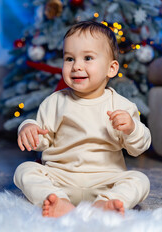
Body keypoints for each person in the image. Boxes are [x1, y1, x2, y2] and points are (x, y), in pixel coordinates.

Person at [14, 21, 151, 218]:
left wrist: (132, 129)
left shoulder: (122, 106)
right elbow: (42, 140)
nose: (76, 66)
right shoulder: (55, 101)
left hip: (105, 179)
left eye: (88, 58)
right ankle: (55, 200)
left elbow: (138, 147)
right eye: (69, 59)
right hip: (60, 177)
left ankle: (106, 203)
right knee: (24, 170)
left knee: (139, 180)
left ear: (111, 69)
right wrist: (29, 127)